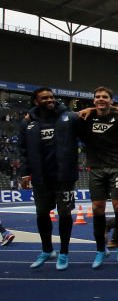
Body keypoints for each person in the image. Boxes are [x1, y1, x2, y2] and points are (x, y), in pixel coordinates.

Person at [20, 88, 81, 270]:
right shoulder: (28, 123)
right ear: (36, 101)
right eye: (44, 98)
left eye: (51, 97)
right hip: (41, 178)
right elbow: (23, 151)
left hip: (64, 177)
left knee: (64, 214)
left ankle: (64, 253)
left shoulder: (68, 117)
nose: (50, 100)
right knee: (41, 214)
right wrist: (25, 173)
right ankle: (47, 250)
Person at [77, 86, 118, 267]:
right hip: (96, 168)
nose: (100, 99)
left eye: (105, 97)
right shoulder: (86, 118)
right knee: (97, 208)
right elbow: (63, 115)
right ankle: (100, 250)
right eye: (97, 97)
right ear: (93, 100)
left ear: (111, 100)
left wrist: (114, 108)